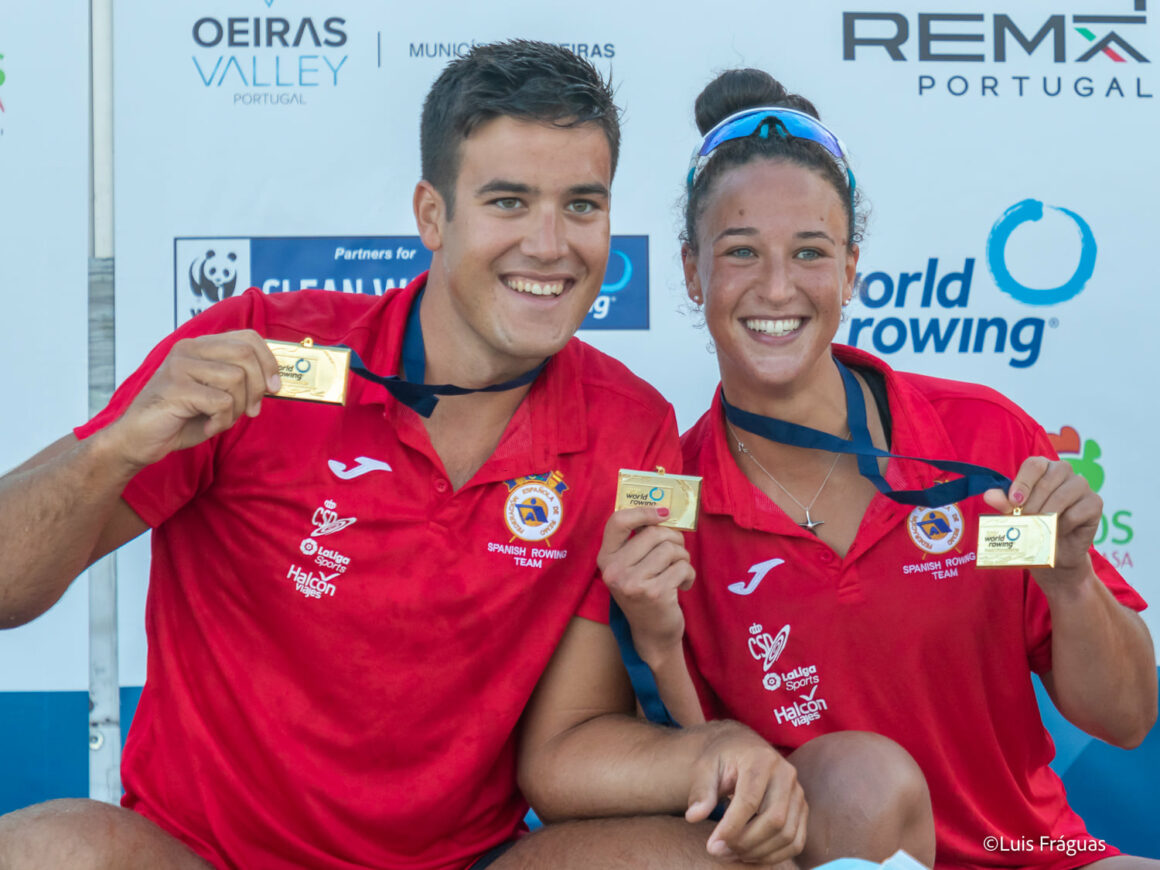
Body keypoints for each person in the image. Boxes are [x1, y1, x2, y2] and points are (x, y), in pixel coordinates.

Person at [599, 68, 1159, 870]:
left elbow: (1129, 720)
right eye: (741, 252)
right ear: (692, 273)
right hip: (835, 859)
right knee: (861, 784)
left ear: (852, 269)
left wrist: (1072, 586)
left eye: (811, 252)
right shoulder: (672, 501)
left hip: (1032, 854)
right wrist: (657, 648)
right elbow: (702, 799)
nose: (778, 288)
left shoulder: (980, 437)